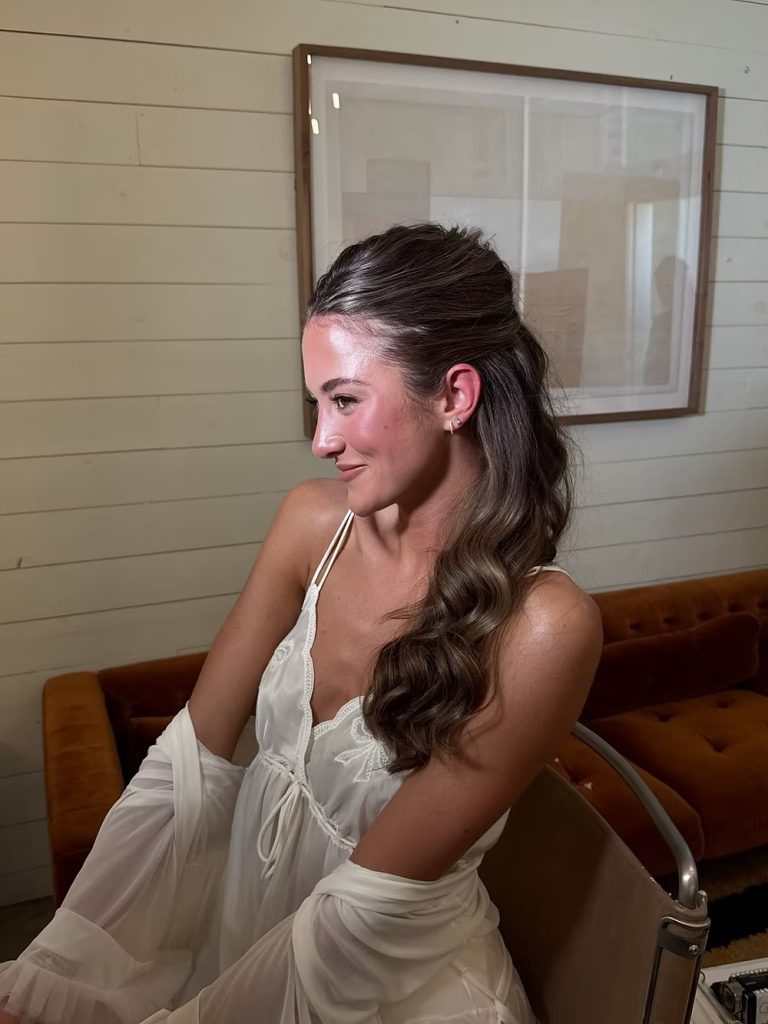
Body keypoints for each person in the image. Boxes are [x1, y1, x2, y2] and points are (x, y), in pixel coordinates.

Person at [0, 222, 603, 1023]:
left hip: (383, 977)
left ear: (454, 396)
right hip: (247, 931)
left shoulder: (544, 627)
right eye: (316, 402)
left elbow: (360, 913)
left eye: (346, 399)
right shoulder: (311, 525)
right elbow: (186, 770)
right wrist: (56, 968)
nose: (321, 440)